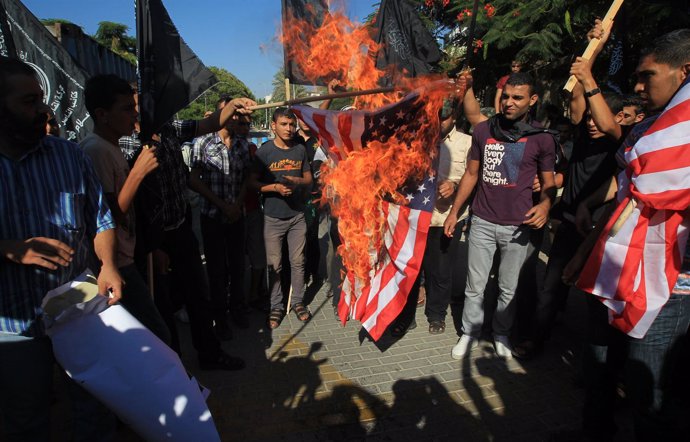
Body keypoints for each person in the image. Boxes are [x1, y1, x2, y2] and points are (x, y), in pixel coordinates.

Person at [567, 28, 690, 441]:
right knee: (598, 366)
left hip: (669, 288)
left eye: (648, 76)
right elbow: (627, 192)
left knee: (648, 391)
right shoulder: (648, 130)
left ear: (684, 72)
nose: (637, 87)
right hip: (615, 269)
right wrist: (585, 247)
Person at [0, 58, 122, 441]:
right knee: (27, 420)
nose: (43, 110)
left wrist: (108, 265)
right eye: (28, 102)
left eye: (41, 99)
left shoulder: (69, 156)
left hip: (79, 309)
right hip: (14, 326)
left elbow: (100, 219)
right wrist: (7, 249)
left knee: (95, 406)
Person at [513, 21, 627, 359]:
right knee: (553, 284)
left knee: (598, 297)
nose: (591, 121)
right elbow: (577, 92)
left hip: (603, 226)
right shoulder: (581, 132)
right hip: (570, 223)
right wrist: (593, 46)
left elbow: (604, 119)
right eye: (588, 117)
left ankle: (597, 362)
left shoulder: (621, 141)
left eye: (597, 115)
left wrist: (590, 76)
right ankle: (538, 338)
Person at [120, 88, 255, 370]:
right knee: (163, 305)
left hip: (181, 227)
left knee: (199, 296)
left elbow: (208, 123)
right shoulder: (124, 144)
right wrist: (152, 245)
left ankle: (210, 352)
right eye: (134, 105)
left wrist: (232, 105)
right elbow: (125, 202)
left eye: (145, 102)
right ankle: (174, 368)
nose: (141, 109)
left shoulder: (169, 128)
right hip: (151, 240)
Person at [443, 72, 557, 359]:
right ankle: (469, 333)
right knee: (475, 286)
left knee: (509, 288)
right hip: (481, 221)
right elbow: (471, 174)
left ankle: (501, 334)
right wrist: (454, 212)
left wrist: (544, 205)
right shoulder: (484, 131)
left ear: (532, 101)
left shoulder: (542, 139)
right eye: (505, 96)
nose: (508, 102)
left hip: (518, 227)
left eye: (517, 98)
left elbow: (549, 183)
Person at [80, 74, 171, 346]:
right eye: (126, 109)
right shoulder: (96, 151)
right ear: (102, 114)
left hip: (128, 257)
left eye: (134, 107)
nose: (134, 114)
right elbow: (108, 216)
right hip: (115, 264)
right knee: (156, 337)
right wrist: (138, 173)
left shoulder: (111, 147)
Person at [189, 97, 253, 339]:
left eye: (237, 114)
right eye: (228, 113)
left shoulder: (242, 144)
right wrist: (221, 205)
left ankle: (238, 309)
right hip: (212, 216)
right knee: (217, 270)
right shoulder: (202, 142)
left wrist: (236, 205)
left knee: (238, 266)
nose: (233, 117)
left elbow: (246, 177)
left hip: (237, 216)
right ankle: (220, 317)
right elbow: (193, 180)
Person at [249, 107, 313, 329]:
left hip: (297, 216)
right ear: (273, 126)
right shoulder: (264, 152)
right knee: (274, 265)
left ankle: (297, 302)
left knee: (298, 262)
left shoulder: (300, 150)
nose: (289, 129)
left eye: (292, 125)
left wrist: (296, 183)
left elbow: (309, 179)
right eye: (284, 124)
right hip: (273, 218)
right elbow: (251, 182)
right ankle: (275, 306)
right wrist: (273, 187)